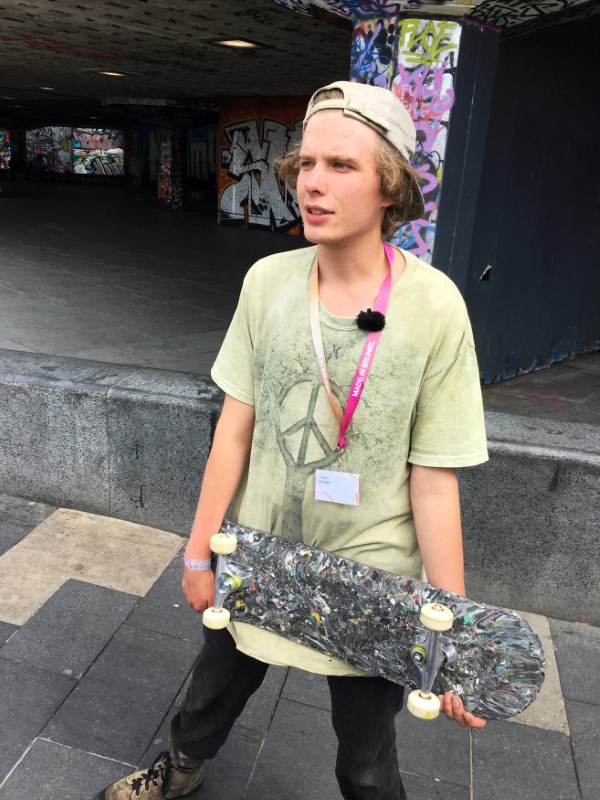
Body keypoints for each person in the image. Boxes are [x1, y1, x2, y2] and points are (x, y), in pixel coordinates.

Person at [95, 80, 489, 800]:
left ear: (389, 186)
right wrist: (196, 550)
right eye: (306, 164)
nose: (312, 182)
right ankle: (180, 770)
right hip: (259, 550)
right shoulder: (267, 283)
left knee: (368, 760)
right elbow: (233, 431)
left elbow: (435, 478)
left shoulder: (435, 307)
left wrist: (452, 626)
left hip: (374, 572)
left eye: (341, 167)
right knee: (210, 692)